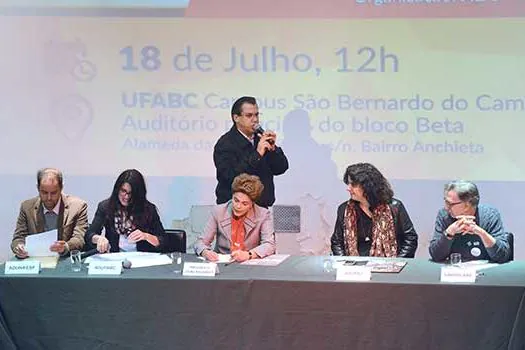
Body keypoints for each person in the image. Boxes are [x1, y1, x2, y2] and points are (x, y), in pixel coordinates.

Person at [213, 96, 288, 208]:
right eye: (249, 115)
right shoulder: (225, 144)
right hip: (234, 209)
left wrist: (274, 150)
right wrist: (257, 155)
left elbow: (281, 168)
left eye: (256, 115)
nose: (255, 120)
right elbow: (230, 177)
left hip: (261, 208)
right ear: (236, 118)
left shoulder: (261, 139)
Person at [331, 163, 418, 257]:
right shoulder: (344, 210)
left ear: (368, 186)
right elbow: (337, 242)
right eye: (348, 184)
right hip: (355, 269)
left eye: (354, 184)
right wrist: (344, 264)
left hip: (389, 267)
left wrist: (397, 263)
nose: (348, 188)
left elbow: (410, 238)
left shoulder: (395, 207)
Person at [195, 173, 276, 262]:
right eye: (236, 200)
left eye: (244, 203)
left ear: (251, 204)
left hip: (249, 263)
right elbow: (201, 242)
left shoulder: (263, 214)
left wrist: (248, 254)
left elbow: (269, 245)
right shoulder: (219, 211)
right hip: (223, 265)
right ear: (232, 196)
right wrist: (205, 252)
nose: (238, 206)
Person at [86, 169, 168, 253]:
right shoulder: (105, 207)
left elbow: (163, 241)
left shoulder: (148, 209)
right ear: (117, 189)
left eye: (131, 193)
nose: (126, 197)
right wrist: (98, 239)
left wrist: (146, 236)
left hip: (141, 258)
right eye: (123, 191)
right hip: (115, 257)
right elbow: (89, 235)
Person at [11, 168, 87, 258]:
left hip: (65, 260)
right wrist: (19, 247)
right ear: (38, 188)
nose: (49, 198)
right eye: (44, 193)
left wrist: (65, 247)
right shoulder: (27, 207)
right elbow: (18, 238)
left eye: (54, 193)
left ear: (61, 188)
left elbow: (79, 238)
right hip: (35, 260)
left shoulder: (78, 207)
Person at [429, 180, 511, 263]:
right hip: (454, 272)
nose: (446, 207)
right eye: (445, 201)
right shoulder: (444, 215)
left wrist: (481, 233)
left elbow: (502, 256)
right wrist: (449, 232)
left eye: (450, 204)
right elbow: (436, 256)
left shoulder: (490, 215)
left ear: (467, 205)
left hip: (486, 272)